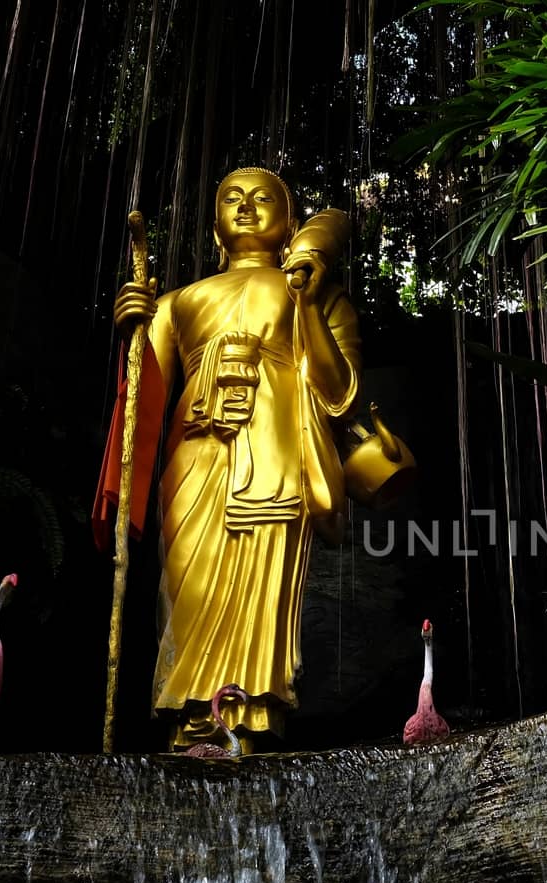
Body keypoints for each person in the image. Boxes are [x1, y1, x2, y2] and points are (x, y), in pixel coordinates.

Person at [94, 166, 364, 750]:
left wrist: (310, 302)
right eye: (232, 199)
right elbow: (143, 400)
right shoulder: (179, 301)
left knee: (259, 590)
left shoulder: (316, 293)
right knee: (188, 591)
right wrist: (134, 334)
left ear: (290, 223)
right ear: (215, 227)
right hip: (193, 460)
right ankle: (189, 720)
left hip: (277, 455)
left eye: (264, 198)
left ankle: (251, 717)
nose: (246, 206)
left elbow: (341, 394)